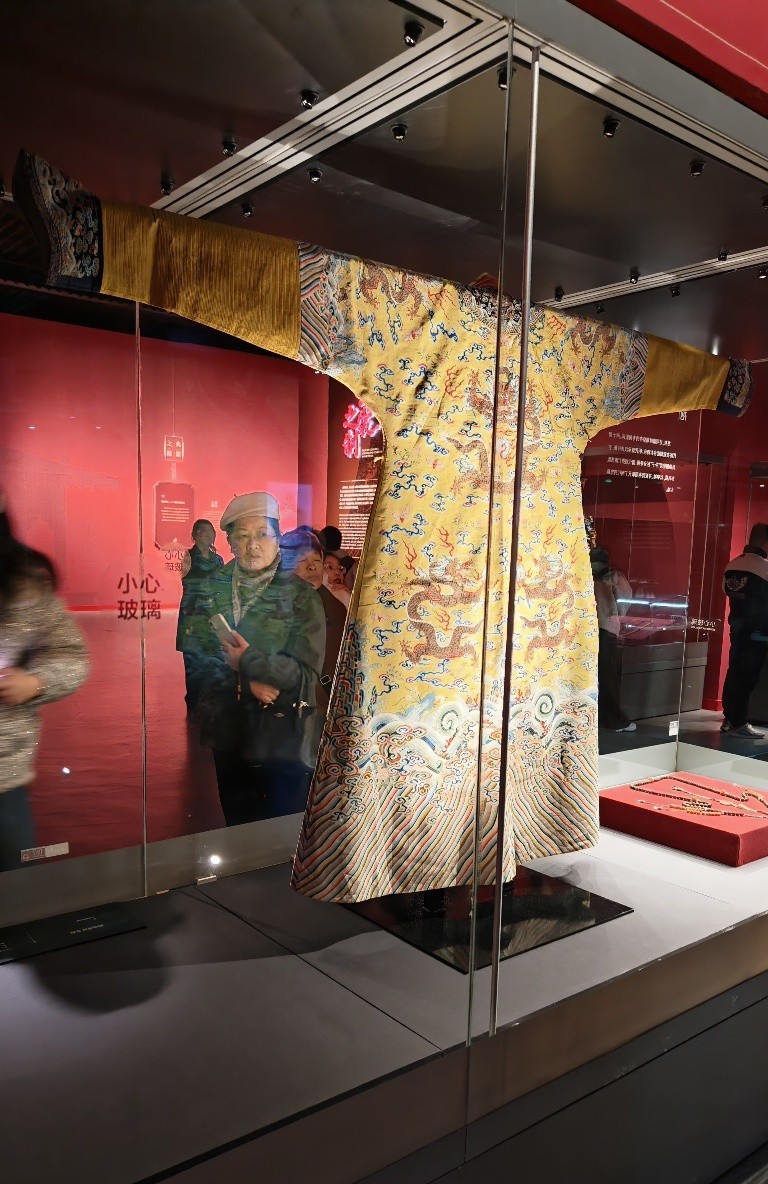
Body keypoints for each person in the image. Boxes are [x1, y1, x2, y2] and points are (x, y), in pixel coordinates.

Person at [13, 148, 754, 905]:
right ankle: (469, 867)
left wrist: (110, 241)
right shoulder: (570, 353)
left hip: (445, 595)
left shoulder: (426, 319)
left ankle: (447, 869)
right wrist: (722, 381)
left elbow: (284, 287)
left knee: (423, 723)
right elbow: (652, 366)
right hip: (528, 600)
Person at [193, 493, 326, 824]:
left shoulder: (300, 596)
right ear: (230, 542)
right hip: (229, 733)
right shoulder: (212, 591)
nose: (253, 545)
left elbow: (305, 672)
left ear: (278, 539)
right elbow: (198, 663)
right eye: (242, 535)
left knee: (279, 833)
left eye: (262, 534)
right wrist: (245, 684)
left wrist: (249, 660)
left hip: (282, 737)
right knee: (236, 827)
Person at [0, 502, 89, 871]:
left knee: (17, 883)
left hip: (5, 779)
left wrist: (35, 682)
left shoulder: (23, 586)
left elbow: (71, 656)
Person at [280, 527, 347, 711]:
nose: (312, 567)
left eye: (317, 560)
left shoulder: (335, 607)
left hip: (325, 704)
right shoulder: (277, 605)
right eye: (303, 560)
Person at [721, 524, 768, 740]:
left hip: (737, 628)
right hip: (759, 632)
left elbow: (727, 591)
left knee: (734, 673)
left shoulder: (732, 564)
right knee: (747, 678)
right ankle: (739, 723)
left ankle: (729, 719)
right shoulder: (764, 568)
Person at [176, 518, 225, 713]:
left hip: (213, 617)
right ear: (195, 535)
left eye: (212, 531)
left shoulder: (218, 559)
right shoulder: (189, 557)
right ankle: (194, 703)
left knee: (213, 660)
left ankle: (210, 703)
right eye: (205, 531)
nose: (209, 535)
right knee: (193, 661)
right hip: (193, 617)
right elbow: (191, 583)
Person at [591, 546, 635, 734]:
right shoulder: (612, 576)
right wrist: (618, 616)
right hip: (606, 628)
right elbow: (625, 599)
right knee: (609, 678)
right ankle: (615, 720)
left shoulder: (583, 574)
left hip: (585, 631)